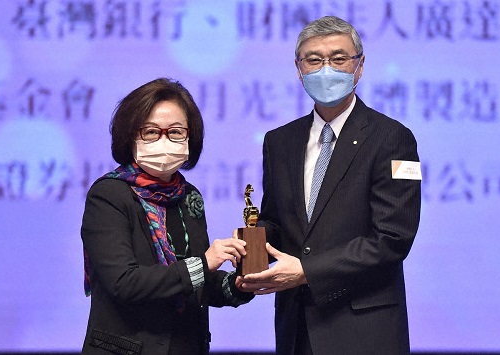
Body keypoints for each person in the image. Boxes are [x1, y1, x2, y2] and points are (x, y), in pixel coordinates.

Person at [239, 16, 422, 354]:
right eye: (314, 59)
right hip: (297, 329)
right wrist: (247, 248)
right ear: (298, 68)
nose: (326, 69)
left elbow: (392, 239)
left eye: (339, 58)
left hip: (365, 329)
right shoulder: (279, 141)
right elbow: (277, 222)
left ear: (360, 66)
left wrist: (306, 271)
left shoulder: (393, 138)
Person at [81, 78, 253, 355]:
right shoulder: (109, 195)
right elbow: (124, 283)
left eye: (175, 132)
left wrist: (239, 284)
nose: (164, 140)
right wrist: (204, 263)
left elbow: (195, 283)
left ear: (190, 137)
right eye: (150, 132)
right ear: (130, 136)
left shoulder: (188, 196)